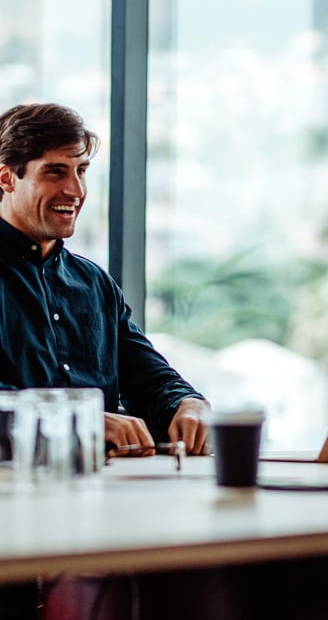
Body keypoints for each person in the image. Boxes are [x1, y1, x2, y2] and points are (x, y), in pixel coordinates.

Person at [0, 102, 209, 455]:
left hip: (106, 491)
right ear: (6, 178)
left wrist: (187, 404)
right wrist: (82, 421)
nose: (76, 191)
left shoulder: (94, 284)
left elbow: (149, 377)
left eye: (81, 171)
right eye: (55, 172)